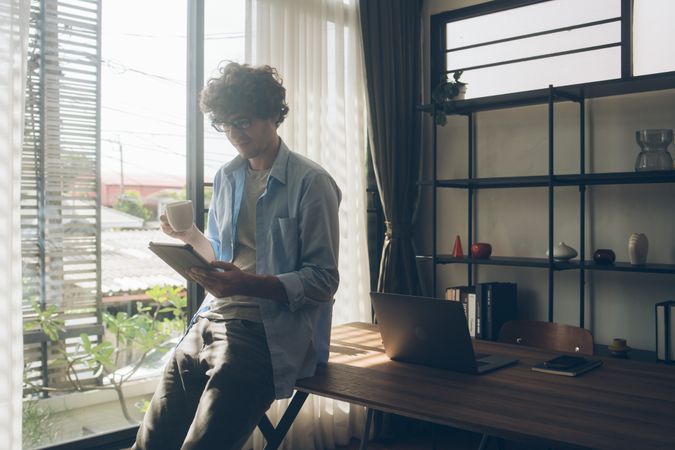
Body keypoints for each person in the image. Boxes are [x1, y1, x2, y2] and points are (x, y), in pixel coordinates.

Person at [132, 62, 341, 450]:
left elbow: (323, 281)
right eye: (224, 124)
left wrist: (245, 283)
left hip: (267, 333)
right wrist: (189, 237)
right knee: (150, 443)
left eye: (242, 121)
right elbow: (223, 258)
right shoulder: (228, 176)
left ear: (272, 115)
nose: (233, 133)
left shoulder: (312, 183)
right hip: (210, 320)